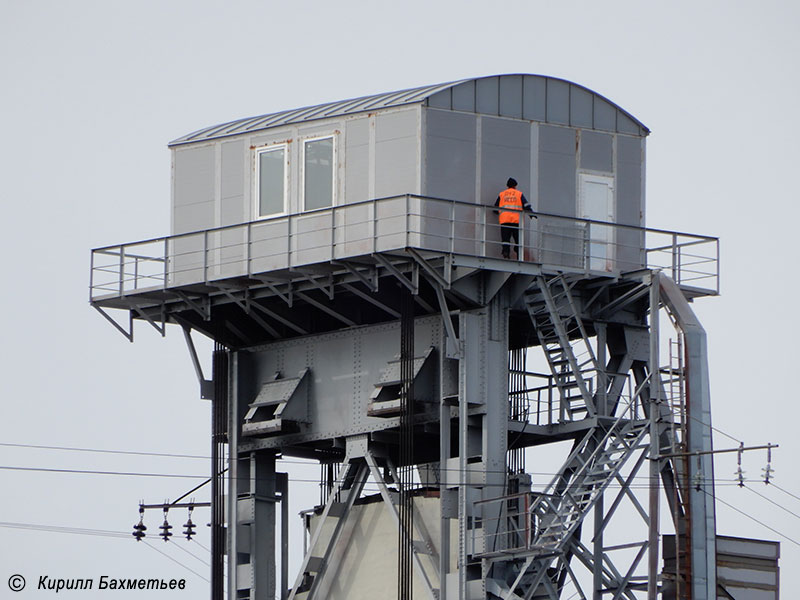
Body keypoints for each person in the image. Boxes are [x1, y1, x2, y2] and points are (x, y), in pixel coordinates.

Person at [494, 177, 534, 259]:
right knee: (518, 239)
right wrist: (531, 214)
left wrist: (497, 212)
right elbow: (526, 205)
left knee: (505, 239)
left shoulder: (502, 194)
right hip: (516, 220)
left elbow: (495, 207)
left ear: (507, 186)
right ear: (515, 185)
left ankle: (506, 252)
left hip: (505, 220)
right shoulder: (519, 194)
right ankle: (519, 254)